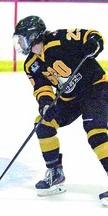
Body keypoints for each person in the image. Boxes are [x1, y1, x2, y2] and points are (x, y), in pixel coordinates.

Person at [13, 15, 108, 206]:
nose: (20, 44)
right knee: (43, 124)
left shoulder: (59, 39)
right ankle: (55, 173)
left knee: (95, 132)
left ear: (34, 36)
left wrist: (94, 44)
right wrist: (45, 104)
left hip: (95, 88)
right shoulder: (31, 64)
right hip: (69, 99)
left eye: (23, 38)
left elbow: (92, 35)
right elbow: (41, 87)